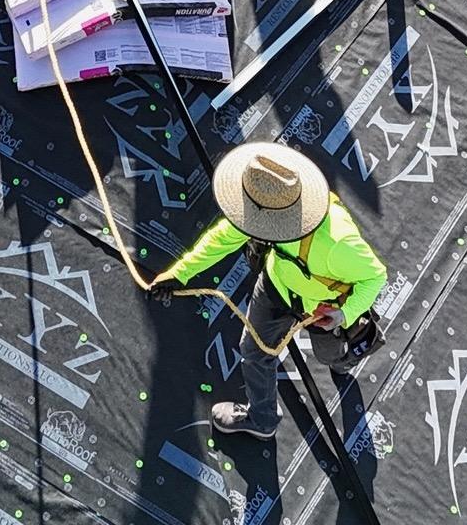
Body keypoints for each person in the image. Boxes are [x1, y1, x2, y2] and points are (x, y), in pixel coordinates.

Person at [151, 142, 388, 439]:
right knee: (254, 351)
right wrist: (179, 274)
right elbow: (222, 239)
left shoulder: (338, 243)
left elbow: (375, 276)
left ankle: (345, 358)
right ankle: (262, 419)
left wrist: (344, 314)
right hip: (276, 287)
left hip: (321, 309)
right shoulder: (263, 208)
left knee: (330, 356)